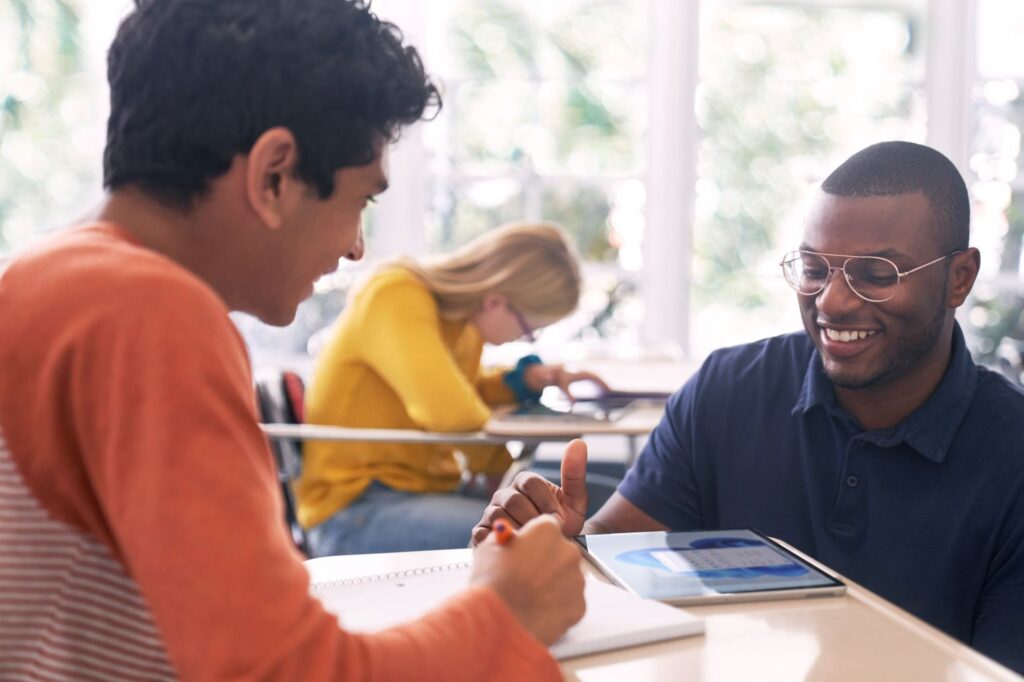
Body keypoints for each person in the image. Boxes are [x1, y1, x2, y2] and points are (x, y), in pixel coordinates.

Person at [0, 1, 586, 679]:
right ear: (274, 175)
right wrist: (505, 615)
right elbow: (280, 672)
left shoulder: (46, 279)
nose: (357, 248)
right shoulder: (149, 314)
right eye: (361, 200)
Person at [474, 141, 1024, 674]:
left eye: (876, 275)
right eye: (813, 269)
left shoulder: (1011, 455)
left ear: (960, 279)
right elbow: (609, 562)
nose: (832, 301)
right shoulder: (728, 390)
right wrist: (558, 544)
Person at [299, 222, 606, 556]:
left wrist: (527, 380)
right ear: (495, 300)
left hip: (425, 490)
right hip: (354, 510)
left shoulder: (461, 322)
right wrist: (496, 468)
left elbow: (468, 392)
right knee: (537, 537)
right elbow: (452, 412)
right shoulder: (394, 294)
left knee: (586, 510)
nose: (525, 339)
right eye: (530, 328)